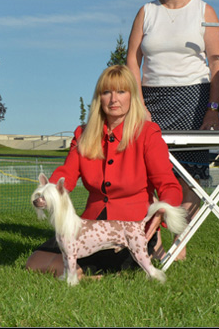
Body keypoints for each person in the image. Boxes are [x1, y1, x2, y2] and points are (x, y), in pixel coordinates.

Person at [26, 65, 182, 278]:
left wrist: (162, 211)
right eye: (107, 92)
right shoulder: (83, 134)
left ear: (132, 96)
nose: (113, 99)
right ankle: (84, 274)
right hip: (88, 228)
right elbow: (67, 174)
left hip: (131, 228)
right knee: (34, 262)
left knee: (100, 264)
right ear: (99, 98)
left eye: (121, 91)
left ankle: (87, 272)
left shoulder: (148, 133)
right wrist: (48, 193)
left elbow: (168, 184)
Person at [126, 0, 219, 260]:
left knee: (189, 175)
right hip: (151, 98)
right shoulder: (146, 12)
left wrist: (212, 110)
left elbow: (217, 64)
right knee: (149, 172)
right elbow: (132, 60)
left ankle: (180, 243)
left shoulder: (204, 11)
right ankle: (153, 241)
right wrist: (139, 104)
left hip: (194, 98)